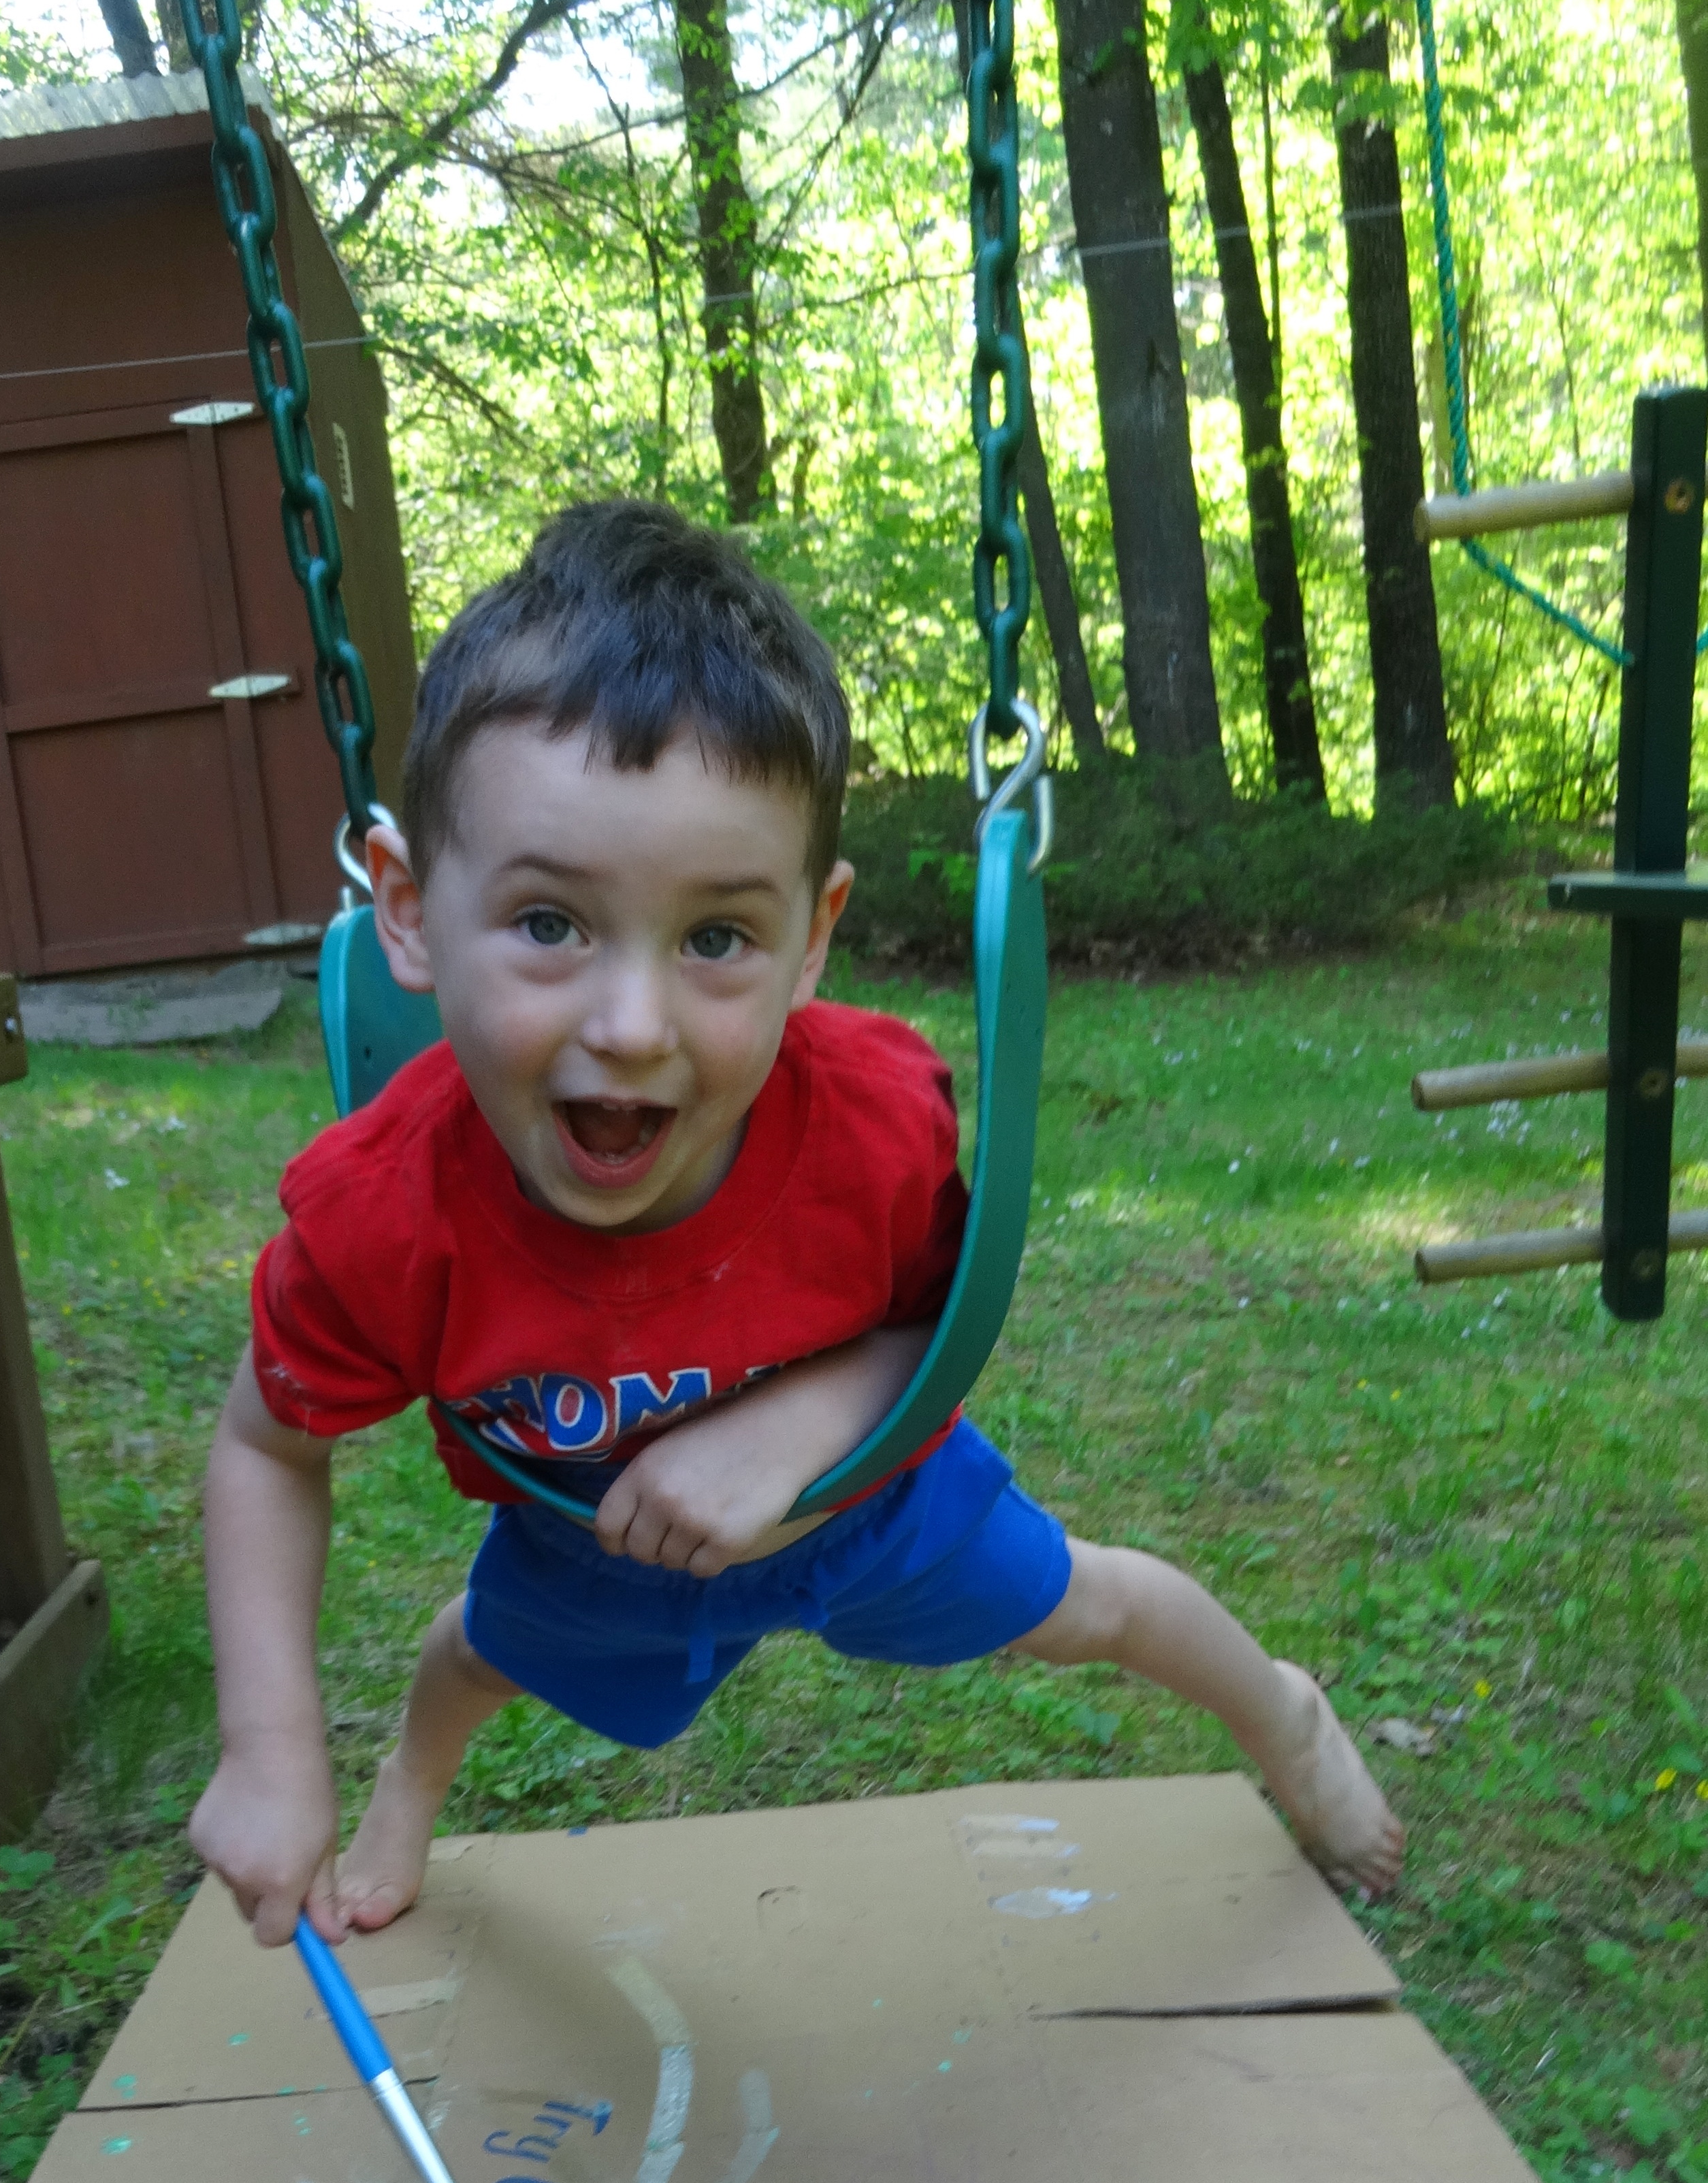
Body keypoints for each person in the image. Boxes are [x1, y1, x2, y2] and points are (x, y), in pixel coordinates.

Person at [190, 501, 1402, 1945]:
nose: (630, 1026)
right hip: (594, 1545)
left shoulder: (867, 1127)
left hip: (865, 1496)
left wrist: (796, 1427)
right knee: (473, 1657)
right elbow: (266, 1445)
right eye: (548, 923)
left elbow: (937, 1323)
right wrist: (271, 1748)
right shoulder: (381, 1214)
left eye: (715, 938)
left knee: (1094, 1607)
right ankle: (408, 1783)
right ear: (405, 907)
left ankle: (1284, 1713)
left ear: (809, 939)